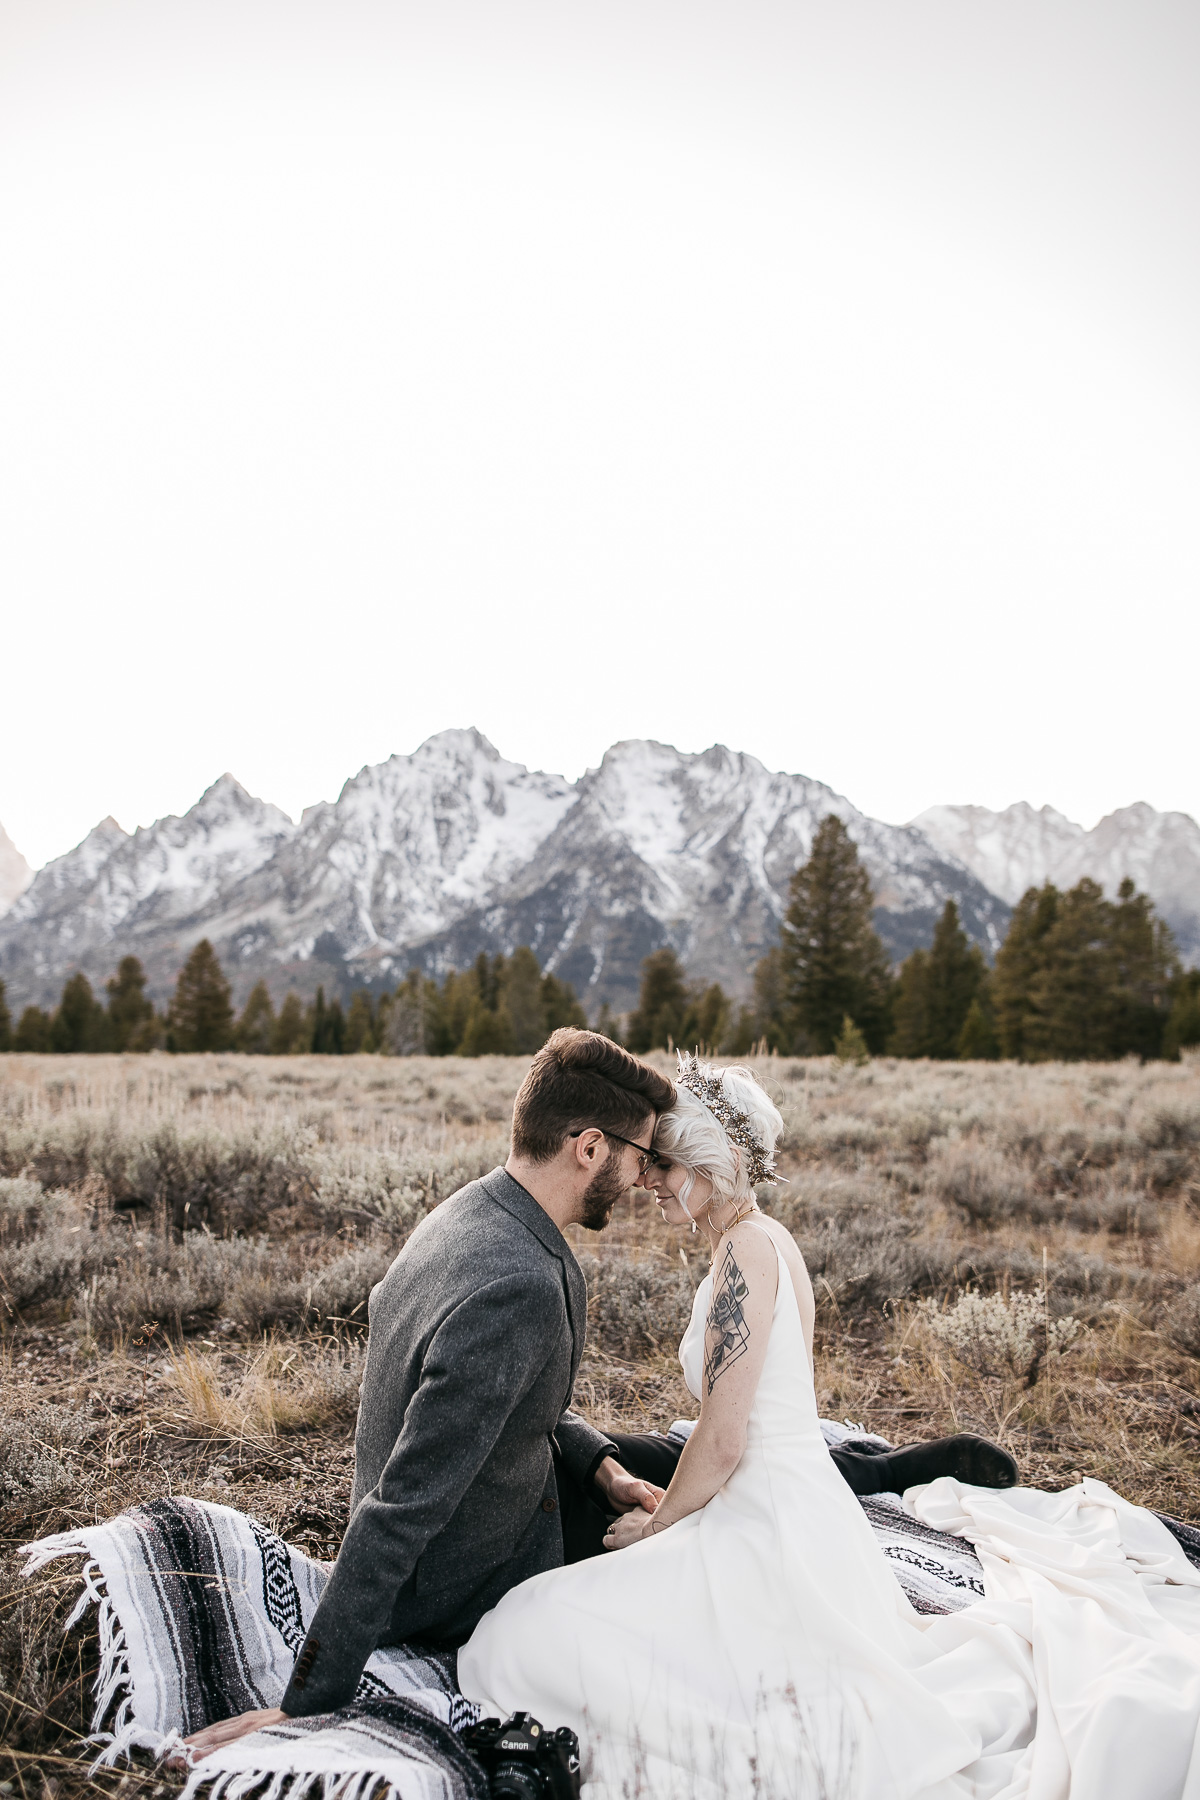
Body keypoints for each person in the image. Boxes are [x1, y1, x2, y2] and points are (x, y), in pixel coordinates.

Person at [186, 1026, 1015, 1763]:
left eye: (659, 1162)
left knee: (644, 1456)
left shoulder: (478, 1214)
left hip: (519, 1482)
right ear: (589, 1147)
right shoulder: (518, 1285)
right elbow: (404, 1505)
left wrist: (603, 1473)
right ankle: (860, 1471)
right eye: (636, 1156)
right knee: (683, 1484)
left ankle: (860, 1468)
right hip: (473, 1561)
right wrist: (306, 1704)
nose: (642, 1179)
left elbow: (523, 1407)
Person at [459, 1057, 1200, 1799]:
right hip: (793, 1502)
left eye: (665, 1164)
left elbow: (721, 1443)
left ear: (711, 1162)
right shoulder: (765, 1238)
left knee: (519, 1637)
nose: (647, 1181)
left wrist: (655, 1534)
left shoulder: (745, 1253)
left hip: (762, 1519)